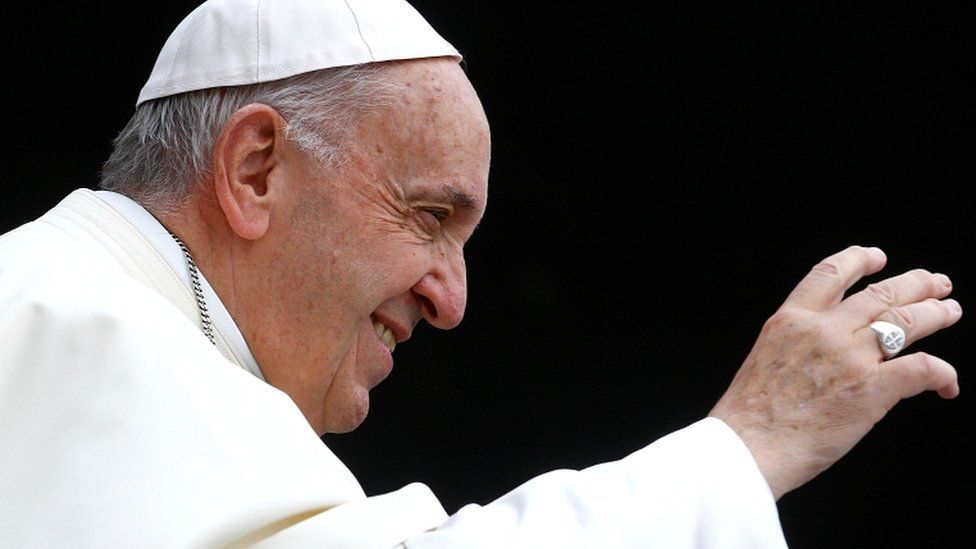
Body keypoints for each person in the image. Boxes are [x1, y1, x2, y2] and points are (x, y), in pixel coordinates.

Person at [0, 0, 962, 546]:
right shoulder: (80, 329)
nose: (450, 299)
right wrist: (745, 448)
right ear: (256, 171)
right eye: (429, 216)